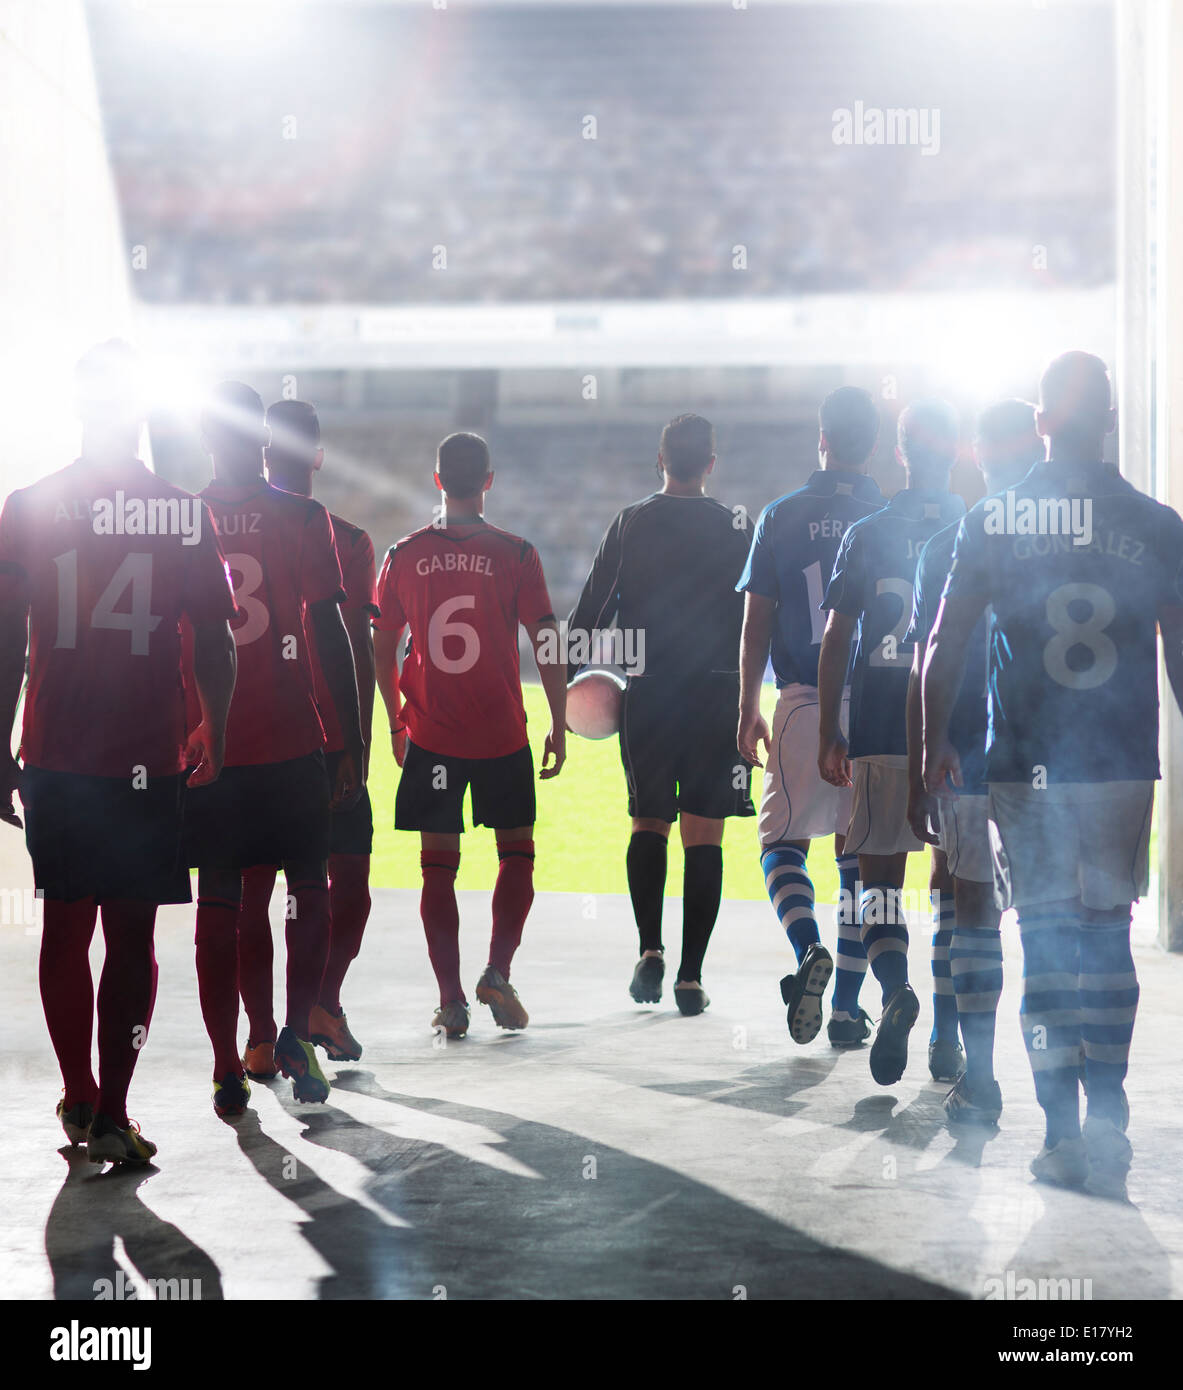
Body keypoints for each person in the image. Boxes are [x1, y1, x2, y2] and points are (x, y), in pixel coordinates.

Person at [923, 352, 1183, 1195]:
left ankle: (1061, 1134)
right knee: (1106, 937)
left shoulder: (992, 519)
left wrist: (933, 745)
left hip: (1023, 767)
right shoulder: (1156, 522)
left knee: (1041, 944)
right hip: (1118, 766)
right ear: (1109, 420)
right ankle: (1107, 1119)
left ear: (1039, 423)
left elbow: (943, 643)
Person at [0, 340, 237, 1163]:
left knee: (64, 927)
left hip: (58, 748)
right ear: (138, 412)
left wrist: (0, 744)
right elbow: (214, 638)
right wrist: (216, 723)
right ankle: (114, 1111)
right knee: (131, 936)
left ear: (78, 407)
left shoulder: (28, 505)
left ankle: (79, 1093)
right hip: (146, 748)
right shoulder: (179, 511)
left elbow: (5, 638)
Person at [184, 382, 364, 1115]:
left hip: (215, 743)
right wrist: (349, 737)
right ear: (261, 434)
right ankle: (285, 1034)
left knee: (223, 905)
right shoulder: (302, 516)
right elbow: (330, 630)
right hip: (288, 736)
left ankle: (235, 1057)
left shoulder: (184, 516)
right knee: (305, 891)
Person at [373, 432, 565, 1038]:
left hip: (432, 732)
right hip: (501, 731)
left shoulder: (403, 554)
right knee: (517, 854)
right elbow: (547, 636)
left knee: (438, 868)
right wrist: (559, 720)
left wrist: (394, 717)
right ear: (488, 480)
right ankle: (498, 971)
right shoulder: (517, 554)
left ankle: (451, 1000)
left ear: (437, 481)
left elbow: (379, 642)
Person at [569, 414, 754, 1015]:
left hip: (649, 692)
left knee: (648, 822)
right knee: (706, 832)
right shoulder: (737, 525)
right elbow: (758, 616)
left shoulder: (633, 522)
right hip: (717, 697)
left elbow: (591, 614)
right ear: (711, 464)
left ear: (661, 461)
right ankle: (691, 978)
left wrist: (574, 684)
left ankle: (651, 949)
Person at [817, 399, 965, 1085]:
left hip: (878, 721)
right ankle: (947, 1039)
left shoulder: (870, 530)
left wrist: (827, 730)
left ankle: (894, 989)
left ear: (900, 451)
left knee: (875, 882)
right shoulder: (974, 526)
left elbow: (838, 635)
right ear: (957, 447)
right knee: (954, 890)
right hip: (957, 730)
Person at [904, 399, 1043, 1124]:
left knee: (969, 911)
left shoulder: (949, 543)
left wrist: (927, 753)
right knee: (1055, 922)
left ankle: (973, 1064)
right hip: (1047, 757)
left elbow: (927, 658)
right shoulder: (1061, 539)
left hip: (966, 756)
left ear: (978, 456)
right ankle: (1073, 1102)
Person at [737, 386, 884, 1046]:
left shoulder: (782, 514)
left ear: (820, 439)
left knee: (780, 845)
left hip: (802, 695)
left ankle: (806, 951)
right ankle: (849, 1009)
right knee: (856, 856)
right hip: (877, 700)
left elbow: (754, 621)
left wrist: (747, 704)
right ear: (872, 446)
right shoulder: (887, 512)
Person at [235, 400, 379, 1077]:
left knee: (267, 891)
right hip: (303, 736)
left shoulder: (344, 537)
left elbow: (357, 642)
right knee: (327, 886)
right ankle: (290, 1022)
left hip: (271, 730)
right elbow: (356, 644)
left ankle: (286, 1023)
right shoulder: (341, 536)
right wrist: (359, 743)